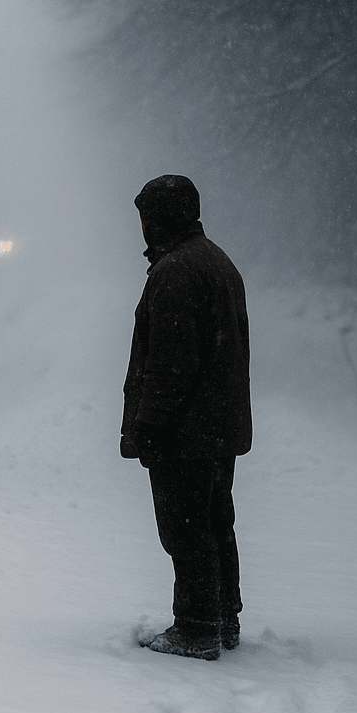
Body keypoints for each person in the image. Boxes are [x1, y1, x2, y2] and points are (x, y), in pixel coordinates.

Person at [121, 175, 251, 661]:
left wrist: (150, 425)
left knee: (186, 529)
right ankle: (222, 619)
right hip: (215, 426)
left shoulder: (176, 271)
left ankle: (196, 630)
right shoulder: (215, 260)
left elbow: (171, 365)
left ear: (160, 218)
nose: (141, 227)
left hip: (187, 431)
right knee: (215, 524)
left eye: (145, 217)